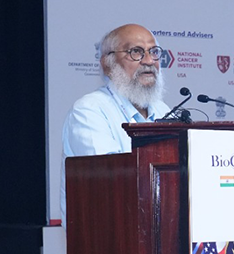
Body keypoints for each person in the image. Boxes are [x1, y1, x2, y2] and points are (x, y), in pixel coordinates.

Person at [59, 23, 171, 225]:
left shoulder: (163, 110)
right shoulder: (90, 110)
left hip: (159, 229)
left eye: (153, 52)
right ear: (108, 64)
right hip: (109, 234)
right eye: (136, 52)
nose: (148, 60)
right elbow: (111, 182)